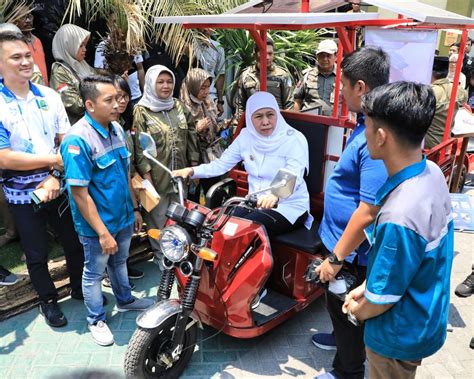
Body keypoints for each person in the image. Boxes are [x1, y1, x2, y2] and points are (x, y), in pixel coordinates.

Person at [343, 81, 454, 378]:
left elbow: (381, 300)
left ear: (381, 137)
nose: (363, 133)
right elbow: (408, 262)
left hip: (395, 337)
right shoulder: (430, 171)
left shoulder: (399, 215)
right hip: (423, 320)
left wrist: (355, 311)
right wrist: (367, 287)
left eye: (366, 126)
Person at [313, 47, 390, 379]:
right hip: (339, 242)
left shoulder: (376, 136)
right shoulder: (365, 124)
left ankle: (346, 371)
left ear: (360, 88)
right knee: (337, 309)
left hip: (351, 254)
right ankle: (341, 342)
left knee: (347, 309)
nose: (340, 93)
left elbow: (368, 211)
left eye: (343, 86)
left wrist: (335, 259)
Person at [60, 75, 154, 346]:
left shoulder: (116, 130)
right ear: (90, 104)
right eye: (109, 100)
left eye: (118, 98)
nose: (117, 104)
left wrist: (135, 210)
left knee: (120, 261)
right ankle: (96, 319)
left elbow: (125, 174)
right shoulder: (77, 140)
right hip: (97, 226)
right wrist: (102, 233)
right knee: (94, 271)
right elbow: (79, 193)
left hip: (123, 217)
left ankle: (125, 301)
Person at [0, 32, 84, 326]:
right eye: (16, 57)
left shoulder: (49, 96)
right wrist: (52, 161)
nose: (25, 62)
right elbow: (4, 157)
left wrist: (55, 176)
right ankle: (47, 301)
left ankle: (78, 288)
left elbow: (66, 140)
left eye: (27, 55)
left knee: (74, 243)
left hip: (57, 186)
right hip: (22, 196)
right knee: (36, 254)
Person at [173, 91, 312, 238]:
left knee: (244, 232)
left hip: (287, 207)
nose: (265, 121)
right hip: (252, 203)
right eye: (258, 116)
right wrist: (191, 170)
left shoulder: (294, 139)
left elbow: (293, 172)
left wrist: (274, 195)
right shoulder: (245, 137)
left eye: (270, 114)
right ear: (250, 118)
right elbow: (221, 165)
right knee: (217, 225)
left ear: (277, 114)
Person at [133, 65, 199, 256]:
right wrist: (148, 181)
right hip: (157, 177)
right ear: (151, 83)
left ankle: (179, 257)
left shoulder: (178, 105)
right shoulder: (142, 110)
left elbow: (192, 135)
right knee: (159, 221)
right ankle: (163, 258)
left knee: (180, 218)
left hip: (180, 176)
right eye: (160, 82)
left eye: (169, 81)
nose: (166, 86)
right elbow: (140, 147)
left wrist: (194, 166)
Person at [109, 75, 144, 282]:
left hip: (129, 182)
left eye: (125, 96)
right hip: (113, 187)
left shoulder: (125, 122)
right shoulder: (106, 125)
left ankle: (123, 268)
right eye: (117, 96)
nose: (122, 101)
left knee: (126, 232)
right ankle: (110, 275)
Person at [179, 68, 229, 201]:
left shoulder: (208, 102)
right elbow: (180, 136)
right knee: (193, 196)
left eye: (208, 87)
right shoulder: (182, 107)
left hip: (210, 156)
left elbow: (214, 127)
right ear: (193, 86)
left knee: (214, 192)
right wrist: (196, 128)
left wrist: (222, 125)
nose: (206, 91)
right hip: (192, 159)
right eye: (202, 88)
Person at [232, 39, 294, 130]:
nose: (267, 57)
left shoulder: (282, 75)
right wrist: (239, 127)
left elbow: (289, 105)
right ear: (255, 55)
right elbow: (240, 105)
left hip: (277, 126)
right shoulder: (246, 75)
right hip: (253, 126)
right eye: (264, 53)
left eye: (270, 53)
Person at [50, 24, 96, 125]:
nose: (85, 49)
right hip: (76, 126)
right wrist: (99, 101)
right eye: (80, 45)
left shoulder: (82, 65)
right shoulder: (59, 71)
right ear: (68, 45)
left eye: (85, 45)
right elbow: (72, 103)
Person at [426, 56, 467, 150]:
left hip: (428, 147)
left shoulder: (429, 93)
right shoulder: (458, 90)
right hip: (446, 143)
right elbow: (464, 99)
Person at [294, 39, 340, 115]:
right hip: (310, 121)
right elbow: (297, 99)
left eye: (328, 55)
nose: (325, 59)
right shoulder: (307, 75)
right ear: (317, 57)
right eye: (322, 55)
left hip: (334, 124)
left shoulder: (343, 77)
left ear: (336, 56)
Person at [94, 40, 145, 106]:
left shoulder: (133, 42)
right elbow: (99, 69)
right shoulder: (104, 45)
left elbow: (140, 68)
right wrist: (117, 75)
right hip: (116, 97)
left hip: (136, 96)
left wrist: (145, 91)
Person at [13, 6, 48, 85]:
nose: (28, 21)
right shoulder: (15, 43)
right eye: (23, 17)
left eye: (29, 17)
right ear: (15, 21)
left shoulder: (37, 41)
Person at [197, 28, 226, 115]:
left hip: (210, 97)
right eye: (202, 25)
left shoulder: (218, 48)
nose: (205, 29)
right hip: (192, 97)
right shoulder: (189, 46)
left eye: (209, 26)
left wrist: (220, 101)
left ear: (213, 29)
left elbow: (220, 75)